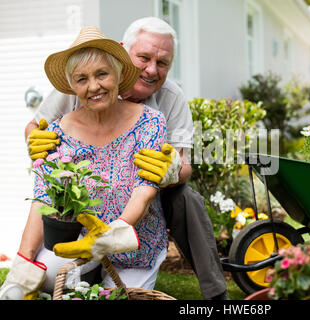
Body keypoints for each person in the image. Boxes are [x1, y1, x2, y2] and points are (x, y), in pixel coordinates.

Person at [24, 17, 228, 300]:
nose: (151, 70)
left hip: (149, 192)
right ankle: (84, 264)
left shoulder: (170, 100)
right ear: (123, 53)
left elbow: (183, 164)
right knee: (58, 190)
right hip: (88, 194)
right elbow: (36, 128)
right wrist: (35, 143)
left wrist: (170, 170)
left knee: (186, 199)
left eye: (163, 63)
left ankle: (216, 294)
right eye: (143, 57)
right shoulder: (80, 80)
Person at [0, 26, 170, 299]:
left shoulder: (150, 121)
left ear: (118, 75)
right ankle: (84, 272)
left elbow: (145, 188)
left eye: (102, 74)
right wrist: (23, 261)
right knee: (41, 280)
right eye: (82, 79)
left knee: (118, 295)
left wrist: (112, 235)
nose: (93, 86)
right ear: (72, 86)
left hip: (134, 243)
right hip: (80, 242)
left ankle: (101, 274)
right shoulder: (57, 132)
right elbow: (43, 199)